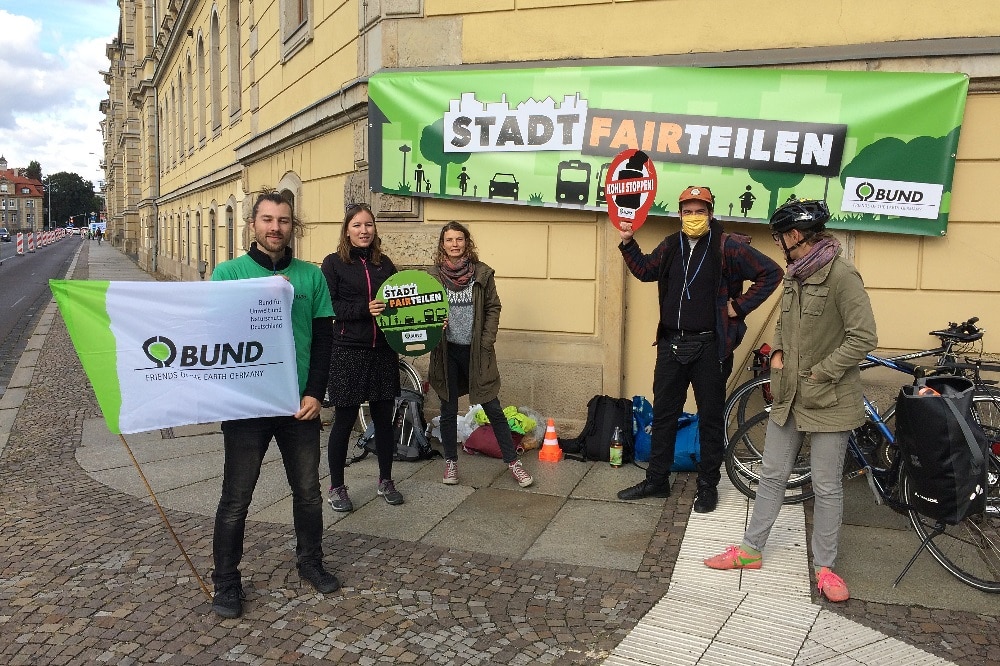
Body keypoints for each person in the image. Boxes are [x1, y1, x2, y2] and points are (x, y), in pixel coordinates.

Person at [704, 199, 877, 603]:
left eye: (780, 235)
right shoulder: (797, 274)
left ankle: (826, 569)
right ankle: (750, 550)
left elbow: (863, 336)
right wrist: (778, 352)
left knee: (827, 485)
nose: (778, 242)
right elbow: (786, 320)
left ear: (794, 235)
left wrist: (823, 372)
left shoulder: (842, 275)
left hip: (829, 398)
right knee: (772, 473)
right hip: (790, 395)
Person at [210, 191, 339, 619]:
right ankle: (226, 582)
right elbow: (214, 334)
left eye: (283, 220)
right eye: (267, 219)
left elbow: (324, 340)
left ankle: (310, 562)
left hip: (296, 405)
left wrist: (315, 394)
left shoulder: (311, 276)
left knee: (308, 492)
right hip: (247, 406)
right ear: (253, 224)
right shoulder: (229, 274)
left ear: (292, 226)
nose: (275, 227)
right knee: (236, 499)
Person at [616, 186, 782, 512]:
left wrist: (741, 306)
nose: (693, 217)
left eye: (700, 211)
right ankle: (656, 480)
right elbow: (646, 270)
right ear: (679, 214)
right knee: (664, 415)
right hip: (671, 344)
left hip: (711, 347)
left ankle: (708, 486)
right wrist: (628, 242)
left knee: (709, 418)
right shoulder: (670, 245)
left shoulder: (727, 246)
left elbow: (771, 272)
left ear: (710, 212)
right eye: (688, 211)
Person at [427, 221, 533, 488]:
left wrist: (486, 342)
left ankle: (513, 463)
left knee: (493, 408)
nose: (454, 244)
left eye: (459, 239)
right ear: (443, 244)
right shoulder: (432, 277)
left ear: (466, 242)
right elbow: (421, 310)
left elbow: (494, 307)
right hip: (446, 351)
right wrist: (432, 327)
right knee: (449, 410)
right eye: (449, 240)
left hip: (476, 353)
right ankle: (451, 462)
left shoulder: (482, 274)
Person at [322, 202, 405, 511]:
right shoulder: (333, 264)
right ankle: (336, 487)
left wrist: (429, 320)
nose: (364, 230)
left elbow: (401, 302)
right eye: (357, 225)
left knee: (384, 420)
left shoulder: (385, 264)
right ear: (347, 230)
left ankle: (385, 480)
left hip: (382, 352)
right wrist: (362, 309)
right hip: (348, 352)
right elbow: (329, 307)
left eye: (368, 224)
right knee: (343, 421)